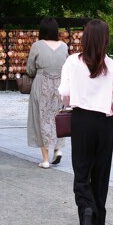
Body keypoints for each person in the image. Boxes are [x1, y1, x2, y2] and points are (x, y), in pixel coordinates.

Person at [58, 19, 113, 225]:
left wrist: (74, 98)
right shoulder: (112, 66)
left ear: (85, 38)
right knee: (101, 171)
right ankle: (98, 219)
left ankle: (86, 208)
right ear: (105, 40)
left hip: (81, 119)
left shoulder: (72, 62)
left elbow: (65, 91)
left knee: (81, 171)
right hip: (104, 121)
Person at [26, 18, 68, 169]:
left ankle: (45, 159)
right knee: (57, 116)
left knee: (41, 117)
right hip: (59, 84)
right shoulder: (64, 46)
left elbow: (30, 69)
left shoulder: (37, 46)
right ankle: (58, 149)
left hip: (42, 83)